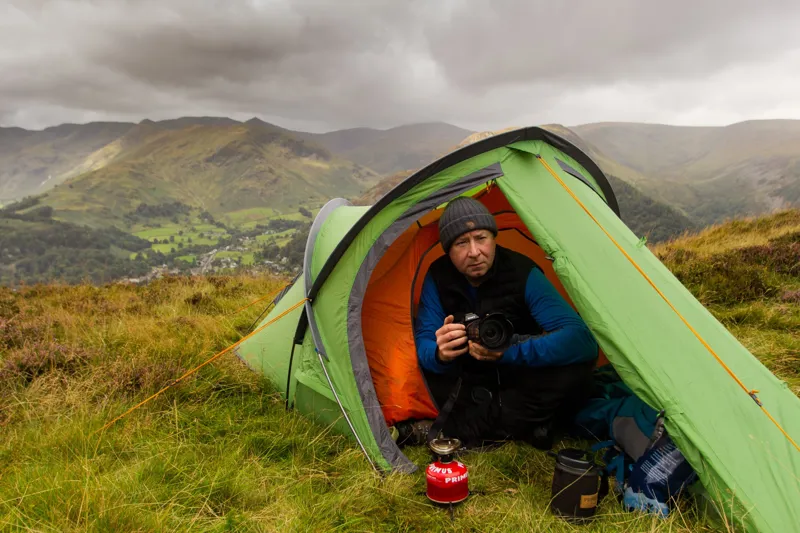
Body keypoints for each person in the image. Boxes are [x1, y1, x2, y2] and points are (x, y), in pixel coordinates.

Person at [411, 196, 599, 449]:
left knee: (577, 371)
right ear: (448, 250)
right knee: (415, 370)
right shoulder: (438, 276)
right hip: (465, 378)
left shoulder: (522, 272)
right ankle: (523, 426)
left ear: (494, 238)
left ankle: (467, 426)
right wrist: (440, 353)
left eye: (481, 238)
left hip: (518, 376)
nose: (474, 252)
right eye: (461, 243)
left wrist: (511, 349)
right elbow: (423, 344)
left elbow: (581, 340)